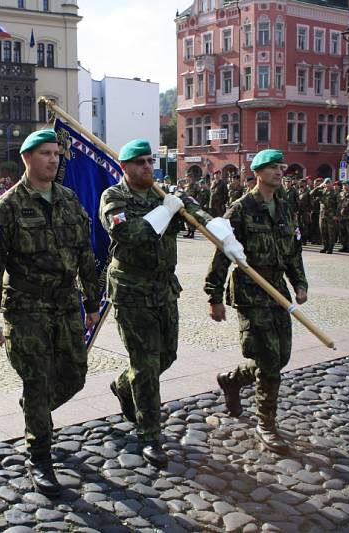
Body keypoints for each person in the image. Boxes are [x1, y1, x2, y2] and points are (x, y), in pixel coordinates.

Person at [99, 139, 246, 468]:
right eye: (139, 163)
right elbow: (132, 234)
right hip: (132, 289)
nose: (148, 167)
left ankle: (124, 385)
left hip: (164, 287)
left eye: (150, 161)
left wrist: (225, 237)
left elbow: (199, 213)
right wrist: (165, 211)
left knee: (167, 355)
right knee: (147, 364)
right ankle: (150, 434)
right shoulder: (114, 197)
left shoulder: (164, 193)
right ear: (125, 167)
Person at [0, 129, 100, 495]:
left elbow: (84, 256)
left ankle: (36, 407)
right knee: (37, 379)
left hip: (65, 305)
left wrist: (92, 303)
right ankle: (40, 455)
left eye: (57, 154)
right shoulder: (8, 207)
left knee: (75, 375)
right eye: (45, 153)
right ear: (27, 158)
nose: (53, 159)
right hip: (26, 307)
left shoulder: (68, 199)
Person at [205, 149, 308, 454]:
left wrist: (299, 283)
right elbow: (223, 253)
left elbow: (293, 251)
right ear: (258, 172)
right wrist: (214, 296)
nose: (280, 172)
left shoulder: (286, 208)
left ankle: (233, 380)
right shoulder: (240, 209)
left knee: (282, 356)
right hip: (251, 292)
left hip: (277, 291)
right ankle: (267, 423)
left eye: (282, 167)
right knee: (268, 361)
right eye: (273, 167)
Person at [312, 178, 338, 253]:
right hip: (322, 215)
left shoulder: (335, 193)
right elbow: (311, 194)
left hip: (331, 215)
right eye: (326, 183)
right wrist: (318, 187)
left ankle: (330, 248)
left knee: (331, 232)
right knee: (323, 232)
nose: (327, 184)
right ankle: (325, 247)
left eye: (329, 183)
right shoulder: (321, 191)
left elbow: (338, 204)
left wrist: (336, 215)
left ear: (331, 184)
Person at [337, 180, 349, 253]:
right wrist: (338, 215)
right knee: (342, 232)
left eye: (346, 185)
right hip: (342, 217)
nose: (344, 186)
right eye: (343, 185)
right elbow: (338, 205)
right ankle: (344, 246)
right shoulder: (341, 194)